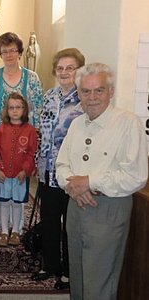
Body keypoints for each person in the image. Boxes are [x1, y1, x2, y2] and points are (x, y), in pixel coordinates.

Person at [56, 63, 148, 299]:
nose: (92, 97)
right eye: (86, 91)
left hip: (107, 211)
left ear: (111, 91)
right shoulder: (76, 124)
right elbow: (61, 165)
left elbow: (135, 176)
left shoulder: (128, 123)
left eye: (99, 90)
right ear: (79, 94)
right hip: (75, 209)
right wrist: (73, 185)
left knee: (99, 287)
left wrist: (90, 182)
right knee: (78, 283)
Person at [31, 48, 85, 290]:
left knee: (69, 225)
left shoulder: (84, 100)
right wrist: (36, 162)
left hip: (71, 174)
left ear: (78, 70)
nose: (64, 72)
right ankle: (50, 264)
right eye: (61, 68)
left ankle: (68, 272)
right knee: (50, 220)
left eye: (70, 68)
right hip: (47, 171)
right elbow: (41, 134)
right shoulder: (49, 96)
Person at [0, 32, 43, 234]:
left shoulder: (31, 78)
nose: (9, 54)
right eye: (4, 51)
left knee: (19, 179)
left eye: (12, 50)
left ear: (19, 52)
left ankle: (16, 225)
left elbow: (38, 107)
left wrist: (32, 135)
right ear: (0, 53)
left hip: (22, 139)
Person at [0, 92, 38, 246]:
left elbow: (32, 152)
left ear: (24, 110)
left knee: (17, 204)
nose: (15, 111)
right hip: (4, 174)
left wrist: (25, 170)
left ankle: (15, 230)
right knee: (4, 203)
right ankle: (4, 231)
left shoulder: (30, 131)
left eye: (18, 107)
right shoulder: (2, 129)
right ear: (6, 110)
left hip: (20, 176)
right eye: (11, 108)